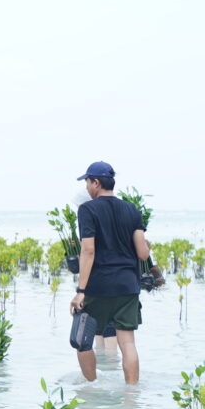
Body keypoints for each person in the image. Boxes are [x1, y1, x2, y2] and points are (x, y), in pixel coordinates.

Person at [71, 161, 151, 384]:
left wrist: (80, 291)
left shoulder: (87, 209)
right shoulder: (132, 209)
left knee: (82, 341)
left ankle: (92, 388)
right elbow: (142, 254)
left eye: (87, 182)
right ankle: (132, 394)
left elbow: (88, 250)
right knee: (128, 344)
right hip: (128, 285)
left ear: (96, 182)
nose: (87, 187)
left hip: (99, 286)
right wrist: (147, 246)